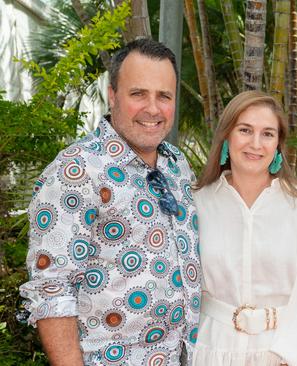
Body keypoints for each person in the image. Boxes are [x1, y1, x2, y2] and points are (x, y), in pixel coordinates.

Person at [19, 39, 201, 365]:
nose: (153, 108)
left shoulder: (177, 165)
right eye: (138, 94)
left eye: (164, 96)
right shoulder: (76, 171)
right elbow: (52, 290)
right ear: (113, 95)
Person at [192, 90, 297, 366]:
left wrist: (294, 357)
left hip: (283, 355)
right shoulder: (196, 203)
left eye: (267, 134)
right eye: (245, 130)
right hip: (211, 352)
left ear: (278, 144)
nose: (255, 143)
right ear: (227, 136)